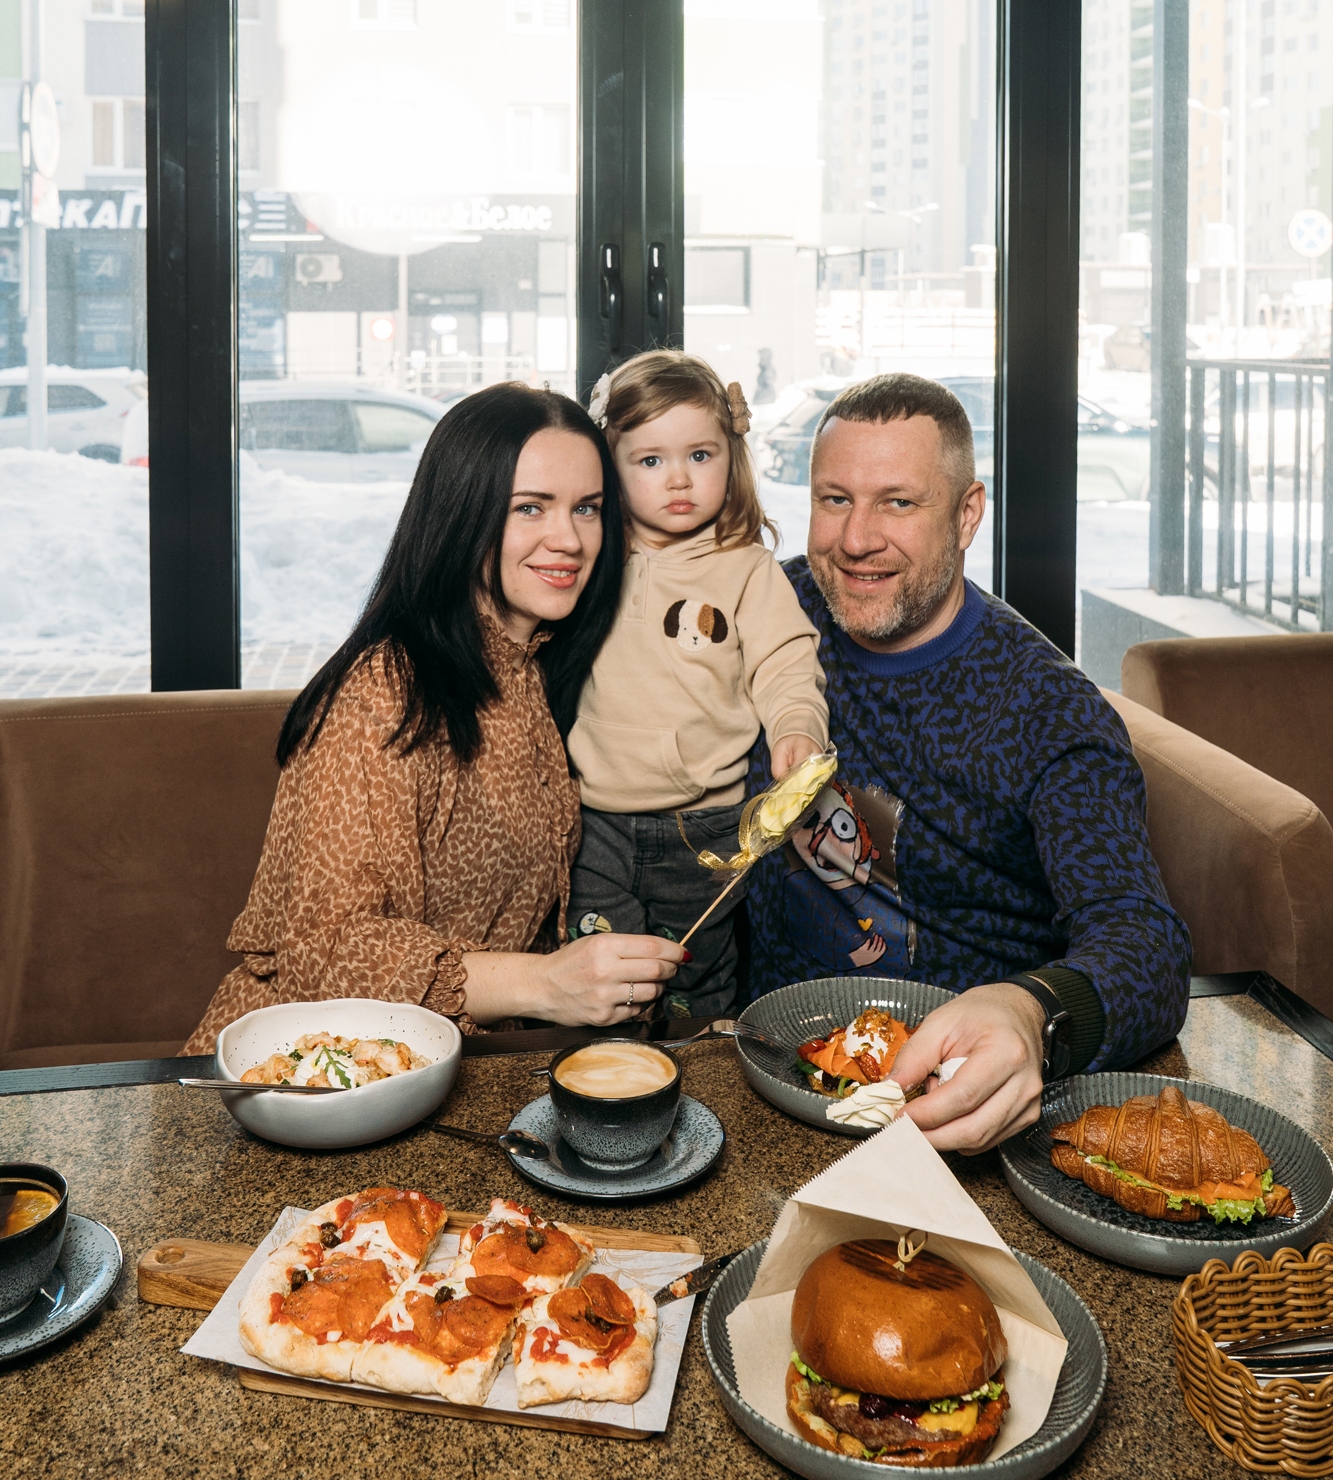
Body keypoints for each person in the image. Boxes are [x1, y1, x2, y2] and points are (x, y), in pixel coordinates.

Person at [745, 373, 1191, 1152]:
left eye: (897, 502)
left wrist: (1030, 1014)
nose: (855, 539)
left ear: (966, 515)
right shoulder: (778, 614)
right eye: (834, 499)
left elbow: (1146, 949)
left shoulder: (1047, 711)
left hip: (944, 1113)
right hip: (754, 1071)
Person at [181, 384, 685, 1054]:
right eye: (529, 507)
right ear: (460, 513)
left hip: (454, 1063)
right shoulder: (383, 691)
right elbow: (326, 953)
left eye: (586, 508)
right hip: (306, 1072)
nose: (568, 539)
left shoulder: (533, 665)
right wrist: (544, 984)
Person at [565, 351, 829, 1017]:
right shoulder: (588, 558)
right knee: (607, 978)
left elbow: (786, 662)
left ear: (731, 459)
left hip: (705, 826)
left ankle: (698, 1070)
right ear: (610, 467)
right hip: (593, 819)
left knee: (695, 980)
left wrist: (797, 727)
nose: (678, 478)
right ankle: (610, 1074)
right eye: (650, 460)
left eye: (700, 455)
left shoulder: (746, 569)